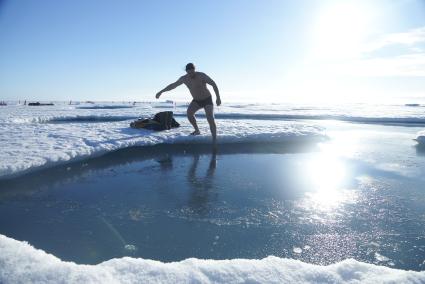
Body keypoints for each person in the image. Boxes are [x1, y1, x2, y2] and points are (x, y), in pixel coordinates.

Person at [155, 63, 221, 145]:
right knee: (189, 113)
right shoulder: (184, 78)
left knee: (210, 118)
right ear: (186, 71)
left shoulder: (201, 75)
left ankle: (214, 140)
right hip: (196, 100)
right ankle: (197, 130)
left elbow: (213, 83)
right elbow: (173, 85)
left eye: (192, 72)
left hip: (207, 99)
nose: (191, 74)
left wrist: (218, 98)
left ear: (194, 70)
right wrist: (161, 91)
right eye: (189, 73)